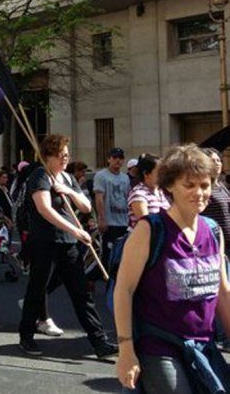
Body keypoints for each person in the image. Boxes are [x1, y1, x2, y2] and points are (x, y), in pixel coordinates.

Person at [114, 144, 230, 393]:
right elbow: (124, 290)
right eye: (189, 185)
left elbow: (223, 292)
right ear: (169, 186)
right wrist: (126, 351)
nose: (199, 193)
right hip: (159, 347)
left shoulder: (213, 231)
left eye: (205, 185)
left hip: (204, 347)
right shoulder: (150, 229)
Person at [18, 134, 117, 358]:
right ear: (48, 156)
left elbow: (85, 207)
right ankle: (26, 336)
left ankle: (99, 341)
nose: (65, 158)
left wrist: (69, 191)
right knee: (37, 290)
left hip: (68, 244)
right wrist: (75, 230)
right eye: (60, 155)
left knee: (81, 293)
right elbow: (45, 209)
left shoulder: (68, 178)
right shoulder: (40, 175)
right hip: (44, 242)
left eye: (66, 154)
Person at [93, 147, 131, 280]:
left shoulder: (125, 178)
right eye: (115, 157)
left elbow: (128, 197)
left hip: (124, 221)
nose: (118, 161)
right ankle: (100, 279)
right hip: (109, 222)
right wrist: (102, 219)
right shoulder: (101, 176)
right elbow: (99, 198)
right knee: (108, 256)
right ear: (109, 159)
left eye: (120, 158)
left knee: (121, 255)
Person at [127, 153, 170, 229]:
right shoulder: (138, 194)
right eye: (158, 172)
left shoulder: (160, 192)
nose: (162, 175)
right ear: (146, 174)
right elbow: (146, 223)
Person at [204, 148, 230, 247]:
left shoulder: (221, 185)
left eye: (218, 160)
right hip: (215, 241)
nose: (217, 163)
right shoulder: (204, 186)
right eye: (213, 161)